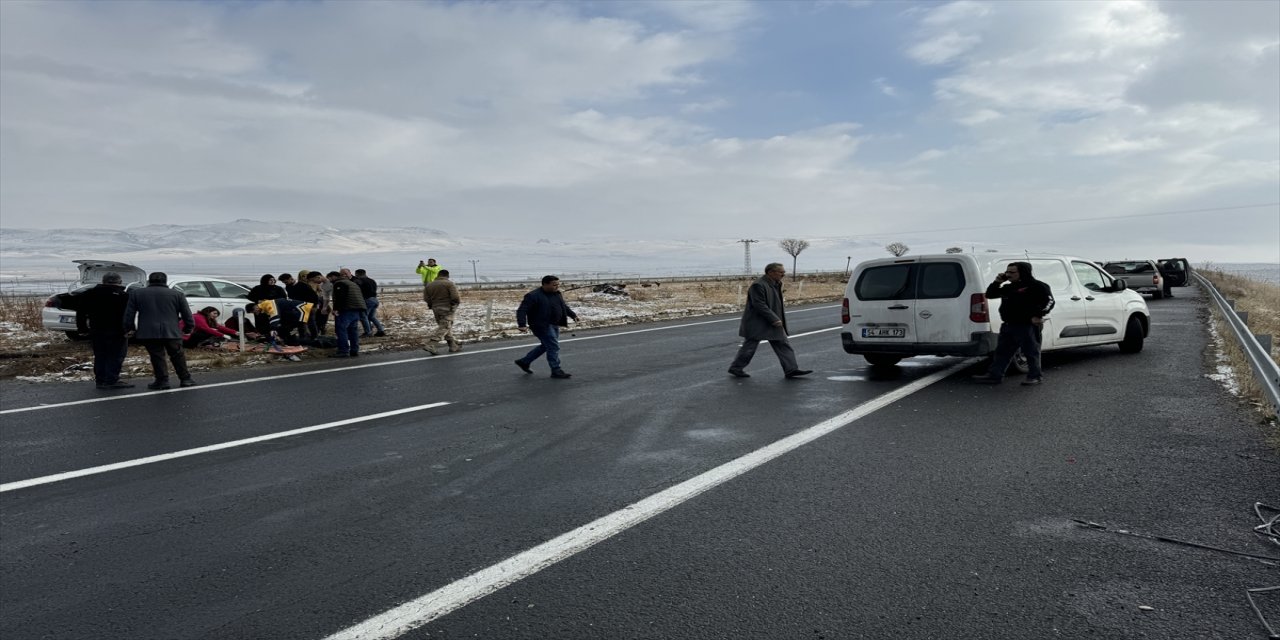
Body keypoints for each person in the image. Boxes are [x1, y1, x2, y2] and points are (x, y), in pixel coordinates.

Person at [972, 261, 1055, 386]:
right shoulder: (1008, 288)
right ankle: (995, 375)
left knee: (1031, 352)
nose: (1008, 275)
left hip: (1027, 325)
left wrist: (1038, 315)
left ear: (1022, 272)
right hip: (1008, 325)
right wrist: (997, 282)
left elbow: (1049, 302)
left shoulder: (1037, 286)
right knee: (1001, 352)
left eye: (1012, 272)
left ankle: (1035, 376)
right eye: (1007, 272)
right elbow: (990, 294)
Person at [727, 263, 812, 379]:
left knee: (783, 344)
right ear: (770, 272)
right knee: (749, 347)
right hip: (757, 322)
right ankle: (736, 368)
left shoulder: (775, 284)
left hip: (772, 322)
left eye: (783, 272)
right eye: (780, 272)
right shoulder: (758, 285)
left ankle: (791, 369)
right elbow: (759, 305)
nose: (783, 274)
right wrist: (774, 318)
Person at [124, 272, 196, 390]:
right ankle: (185, 379)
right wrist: (188, 328)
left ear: (149, 281)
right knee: (178, 355)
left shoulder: (137, 293)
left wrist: (130, 328)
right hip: (172, 330)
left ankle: (162, 380)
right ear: (165, 281)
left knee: (157, 356)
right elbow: (187, 315)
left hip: (148, 331)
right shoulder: (177, 294)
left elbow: (129, 314)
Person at [75, 271, 133, 389]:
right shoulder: (123, 295)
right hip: (117, 331)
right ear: (119, 282)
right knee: (116, 355)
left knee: (100, 355)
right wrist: (130, 328)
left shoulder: (89, 294)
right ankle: (111, 380)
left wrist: (82, 328)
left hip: (97, 329)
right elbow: (128, 315)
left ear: (102, 281)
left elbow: (80, 313)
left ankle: (100, 380)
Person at [514, 275, 579, 378]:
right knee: (553, 346)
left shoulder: (556, 294)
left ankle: (524, 361)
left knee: (547, 345)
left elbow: (563, 306)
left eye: (558, 284)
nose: (557, 286)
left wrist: (573, 315)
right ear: (545, 284)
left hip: (554, 324)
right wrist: (522, 324)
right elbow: (522, 310)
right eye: (554, 285)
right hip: (541, 326)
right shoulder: (533, 296)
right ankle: (556, 370)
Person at [422, 269, 461, 355]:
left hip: (435, 308)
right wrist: (454, 305)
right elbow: (455, 297)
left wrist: (431, 304)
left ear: (438, 275)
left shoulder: (429, 285)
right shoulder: (449, 284)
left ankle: (453, 346)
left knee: (446, 326)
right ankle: (431, 344)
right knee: (445, 326)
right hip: (447, 307)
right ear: (447, 276)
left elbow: (426, 298)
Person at [329, 269, 366, 357]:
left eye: (330, 278)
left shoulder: (340, 283)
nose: (330, 280)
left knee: (341, 330)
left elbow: (340, 297)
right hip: (356, 309)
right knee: (353, 331)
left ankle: (343, 351)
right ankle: (354, 350)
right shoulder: (352, 283)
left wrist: (336, 309)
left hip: (346, 310)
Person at [245, 298, 315, 344]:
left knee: (307, 327)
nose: (255, 314)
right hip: (296, 312)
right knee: (296, 328)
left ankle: (313, 340)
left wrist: (273, 329)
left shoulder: (268, 304)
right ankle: (305, 340)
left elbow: (275, 316)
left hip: (303, 309)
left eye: (253, 312)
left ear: (255, 307)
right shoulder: (264, 307)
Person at [353, 268, 386, 337]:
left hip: (367, 300)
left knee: (363, 316)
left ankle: (368, 332)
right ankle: (381, 330)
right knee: (371, 317)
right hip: (375, 300)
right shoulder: (372, 280)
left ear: (357, 274)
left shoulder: (359, 281)